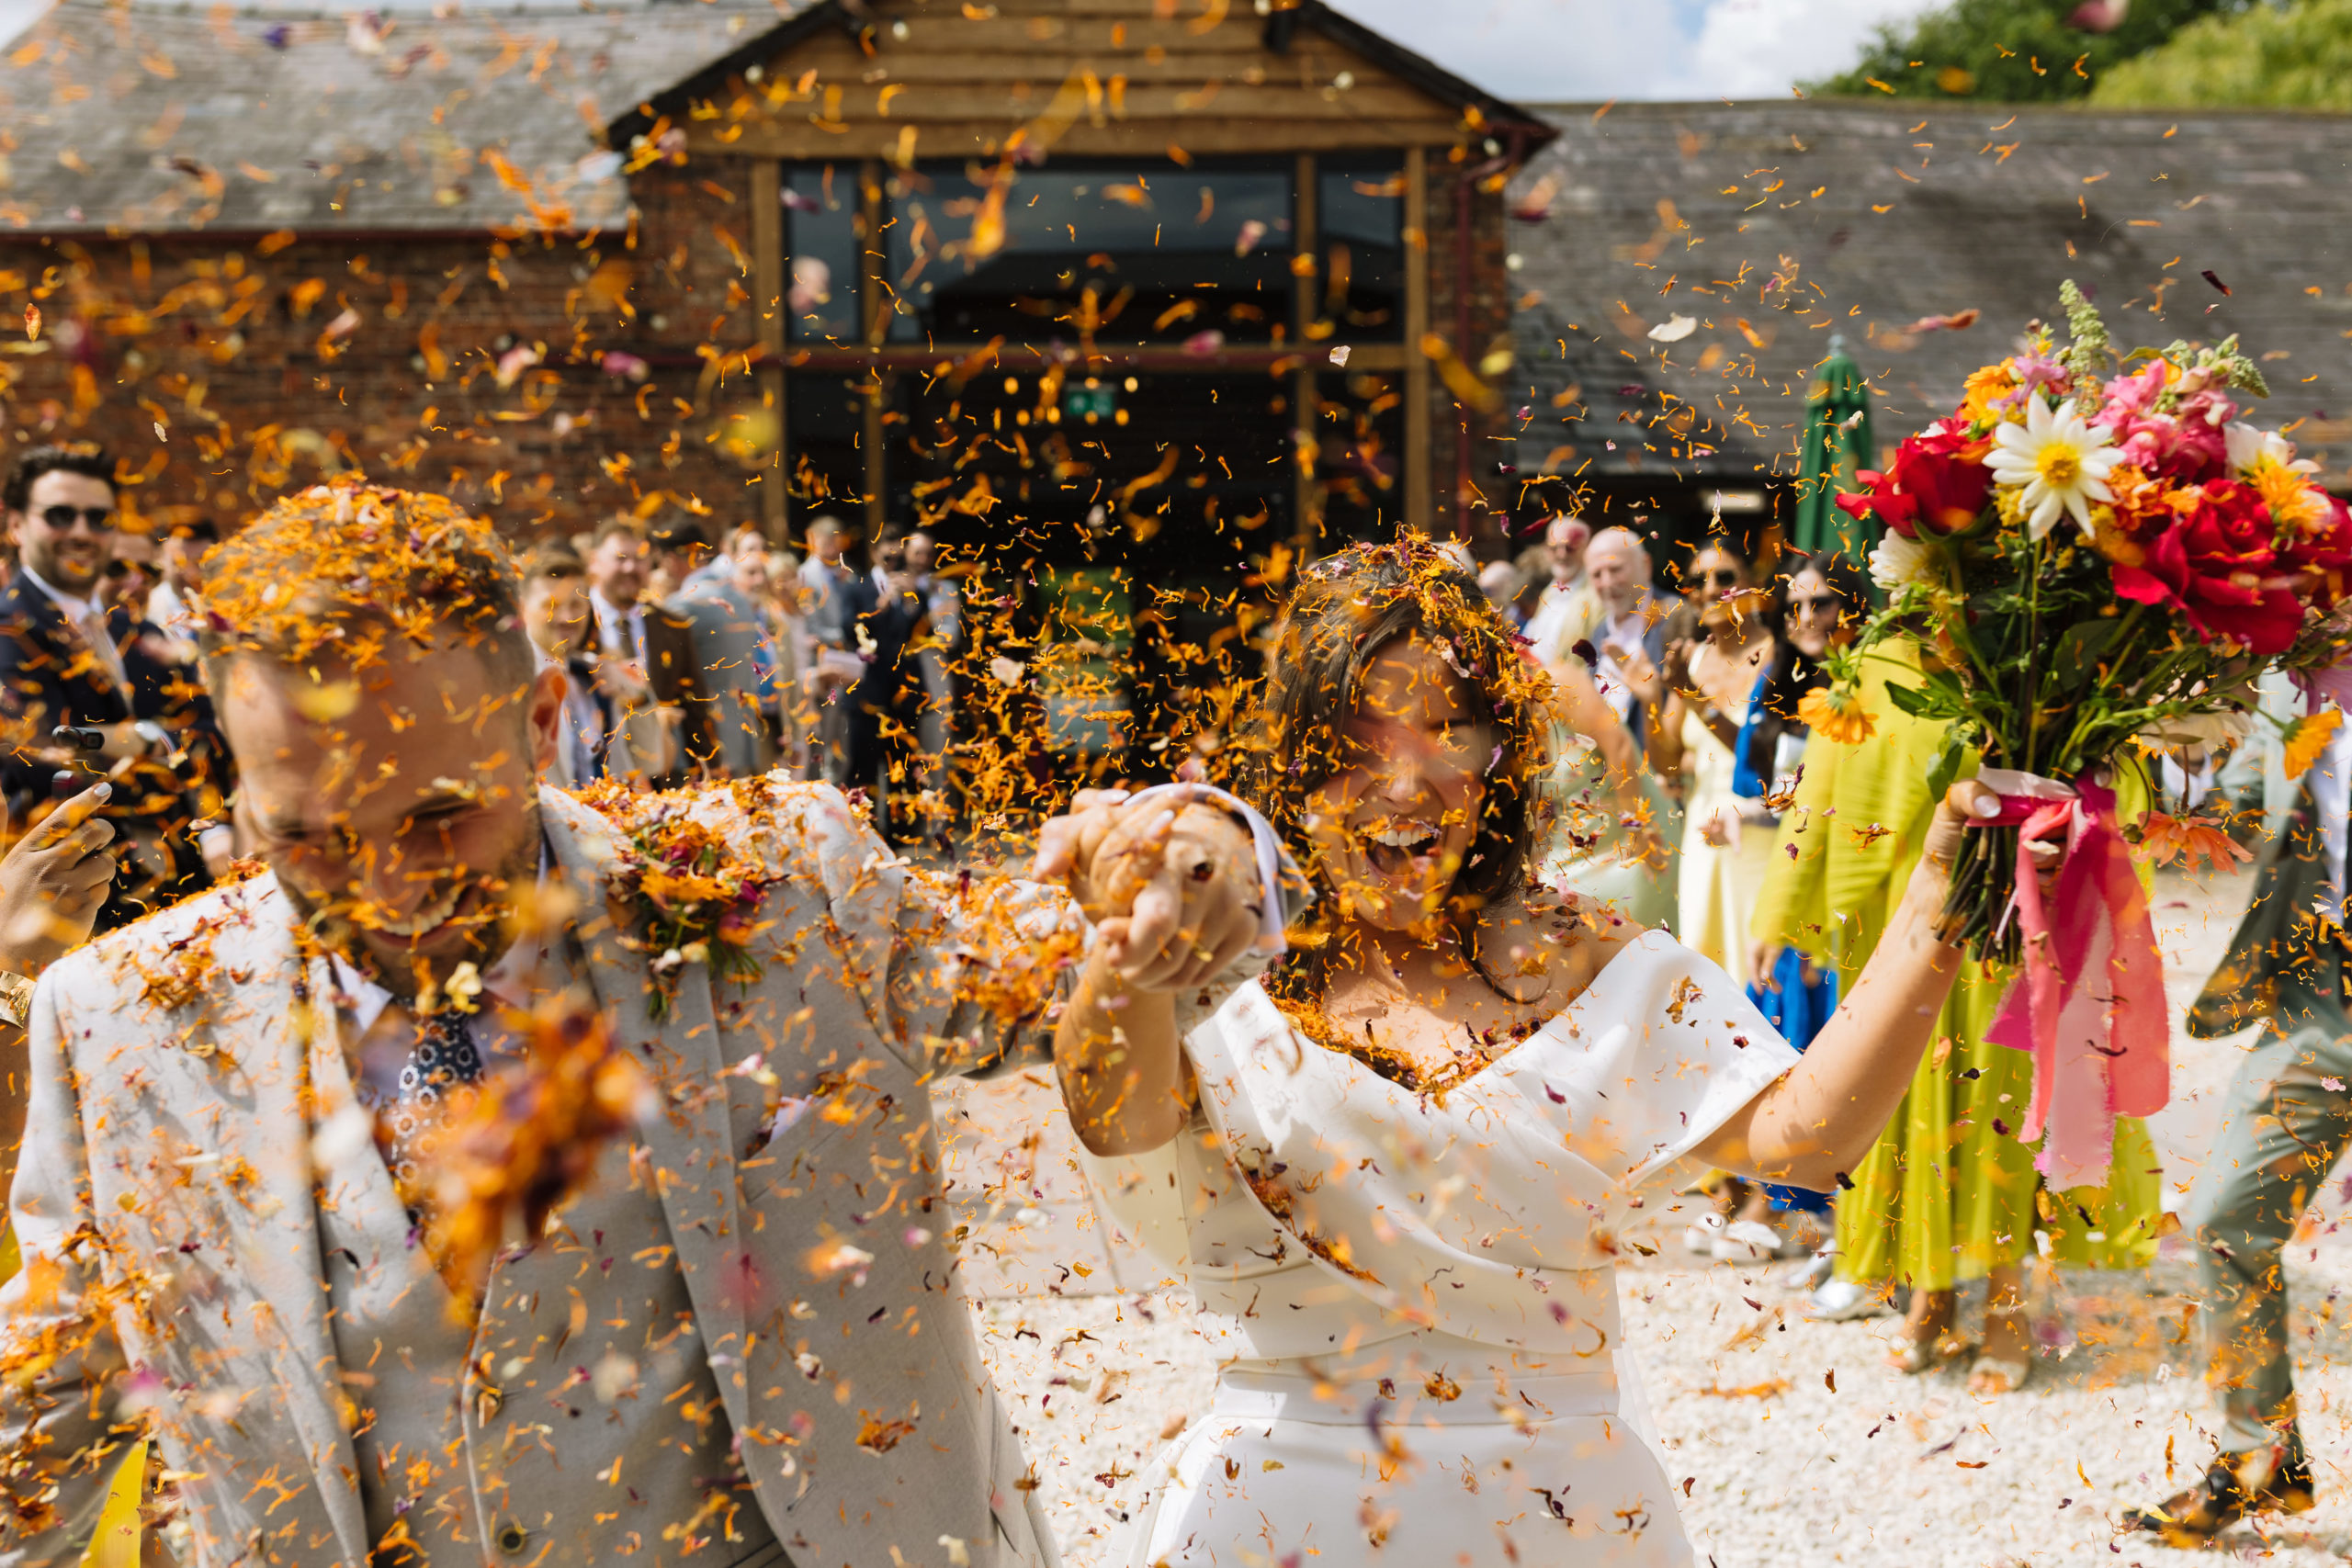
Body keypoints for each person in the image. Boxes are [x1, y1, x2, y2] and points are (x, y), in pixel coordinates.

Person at [0, 481, 1275, 1565]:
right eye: (310, 838)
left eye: (441, 817)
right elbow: (41, 1426)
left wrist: (1196, 846)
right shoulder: (116, 1019)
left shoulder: (788, 879)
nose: (393, 890)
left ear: (543, 716)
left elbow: (1089, 960)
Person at [1046, 536, 2010, 1568]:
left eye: (1445, 729)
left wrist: (1937, 902)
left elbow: (1805, 1144)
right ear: (1294, 754)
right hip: (1277, 1505)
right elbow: (1119, 1119)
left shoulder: (1600, 959)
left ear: (1502, 747)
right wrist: (1123, 961)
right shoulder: (1218, 959)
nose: (1405, 782)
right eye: (1357, 737)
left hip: (1560, 1510)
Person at [1748, 632, 2163, 1393]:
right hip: (1906, 919)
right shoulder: (1879, 660)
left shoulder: (2046, 644)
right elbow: (1828, 782)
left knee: (2004, 1110)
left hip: (2026, 914)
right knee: (1906, 1111)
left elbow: (2116, 777)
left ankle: (2006, 1303)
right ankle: (1931, 1293)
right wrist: (1781, 912)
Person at [2121, 714, 2352, 1543]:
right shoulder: (2304, 697)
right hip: (2323, 998)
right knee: (2225, 1220)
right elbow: (2213, 824)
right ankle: (2262, 1455)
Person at [0, 446, 214, 930]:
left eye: (98, 518)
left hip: (177, 897)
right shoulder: (7, 629)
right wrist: (159, 739)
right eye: (60, 515)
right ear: (16, 525)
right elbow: (38, 756)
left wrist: (146, 739)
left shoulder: (134, 632)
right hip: (68, 906)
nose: (81, 531)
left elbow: (210, 728)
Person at [662, 522, 776, 780]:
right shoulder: (740, 600)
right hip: (742, 736)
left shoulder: (683, 605)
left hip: (704, 745)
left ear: (672, 559)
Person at [518, 546, 610, 789]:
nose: (567, 617)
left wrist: (637, 698)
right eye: (551, 605)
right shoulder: (513, 682)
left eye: (576, 606)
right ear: (522, 609)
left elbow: (650, 763)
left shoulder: (590, 677)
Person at [1584, 526, 1673, 739]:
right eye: (1597, 574)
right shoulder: (1599, 631)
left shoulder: (1675, 619)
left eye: (1615, 570)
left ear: (1646, 566)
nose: (1607, 582)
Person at [1517, 513, 1599, 669]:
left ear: (1586, 549)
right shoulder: (1548, 592)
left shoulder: (1596, 598)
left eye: (1570, 548)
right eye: (1554, 548)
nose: (1561, 555)